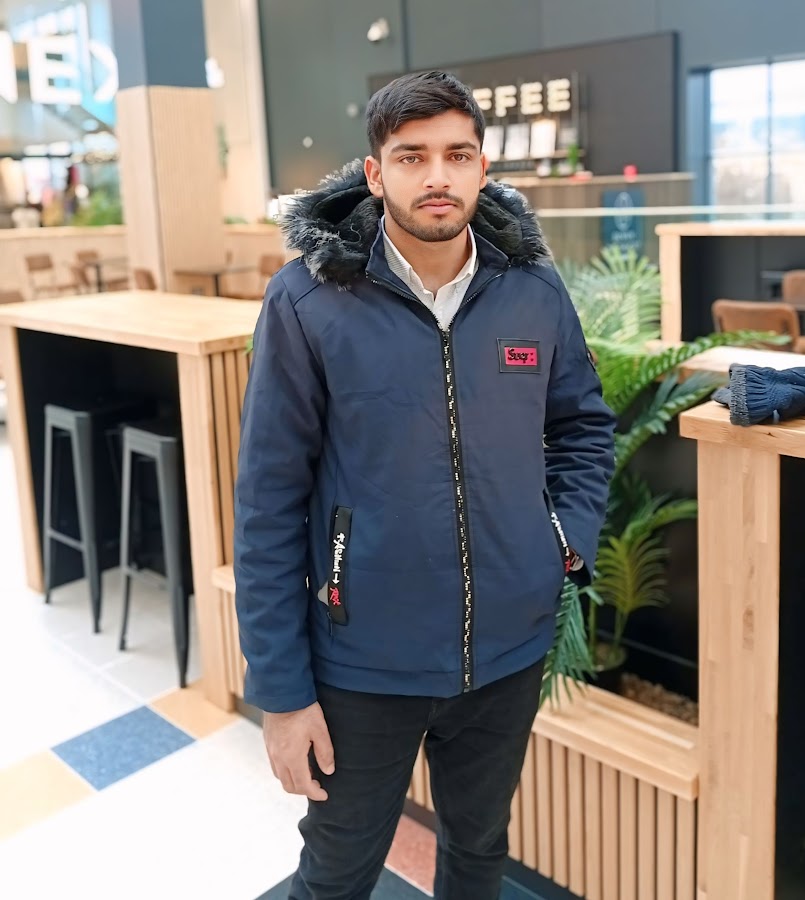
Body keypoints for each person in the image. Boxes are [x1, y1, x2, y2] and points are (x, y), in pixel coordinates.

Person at [234, 70, 616, 900]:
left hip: (508, 651)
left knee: (478, 854)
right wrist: (282, 694)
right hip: (361, 660)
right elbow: (267, 500)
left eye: (457, 154)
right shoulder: (306, 301)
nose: (437, 176)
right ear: (376, 174)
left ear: (483, 168)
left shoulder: (533, 291)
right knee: (336, 875)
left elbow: (584, 428)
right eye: (412, 157)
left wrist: (560, 542)